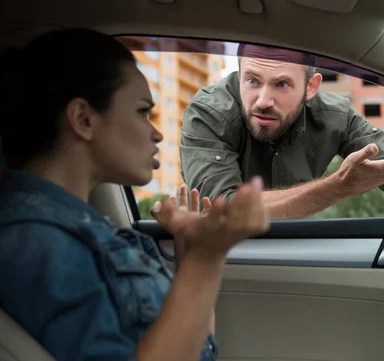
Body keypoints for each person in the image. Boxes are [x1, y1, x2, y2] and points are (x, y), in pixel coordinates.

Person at [0, 29, 270, 361]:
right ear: (83, 119)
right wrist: (205, 259)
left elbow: (198, 347)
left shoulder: (83, 232)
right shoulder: (36, 239)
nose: (156, 133)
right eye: (143, 111)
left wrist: (192, 258)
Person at [180, 44, 384, 218]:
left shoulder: (333, 115)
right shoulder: (210, 112)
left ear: (311, 87)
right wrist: (338, 186)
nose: (263, 101)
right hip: (216, 254)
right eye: (252, 80)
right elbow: (222, 208)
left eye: (281, 85)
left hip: (293, 252)